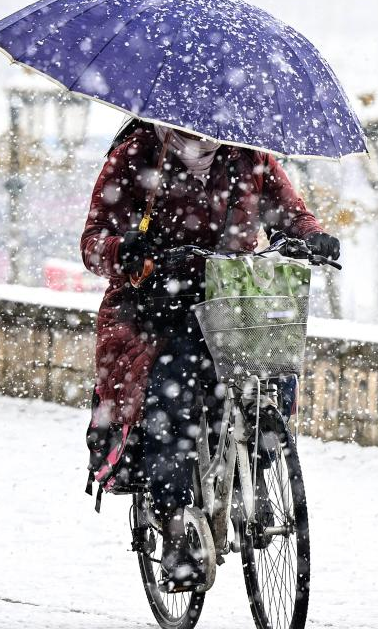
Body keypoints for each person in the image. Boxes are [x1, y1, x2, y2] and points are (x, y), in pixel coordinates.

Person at [81, 119, 339, 589]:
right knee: (170, 398)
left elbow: (288, 213)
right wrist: (128, 251)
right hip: (158, 307)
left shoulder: (247, 152)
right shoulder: (138, 152)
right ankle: (176, 525)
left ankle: (256, 474)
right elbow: (94, 242)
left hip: (231, 302)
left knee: (273, 376)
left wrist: (311, 236)